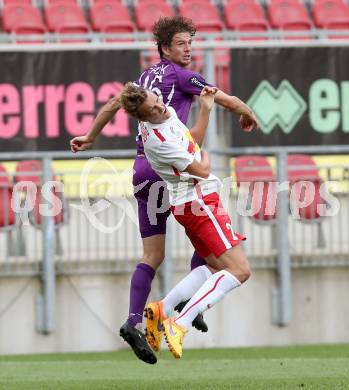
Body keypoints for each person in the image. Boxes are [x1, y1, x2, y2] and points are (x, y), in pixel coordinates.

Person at [70, 16, 258, 365]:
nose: (188, 49)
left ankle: (134, 319)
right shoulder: (181, 77)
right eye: (182, 44)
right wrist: (247, 113)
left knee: (154, 255)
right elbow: (220, 98)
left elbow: (114, 104)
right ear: (166, 48)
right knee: (214, 244)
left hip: (142, 170)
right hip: (171, 169)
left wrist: (90, 135)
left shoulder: (144, 81)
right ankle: (188, 307)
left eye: (191, 43)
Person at [119, 82, 251, 359]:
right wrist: (207, 156)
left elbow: (192, 142)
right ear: (143, 119)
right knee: (240, 271)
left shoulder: (165, 115)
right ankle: (181, 322)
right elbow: (201, 169)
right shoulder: (157, 140)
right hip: (200, 202)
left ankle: (161, 310)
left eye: (156, 100)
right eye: (152, 110)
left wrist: (205, 110)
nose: (158, 107)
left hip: (191, 204)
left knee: (216, 269)